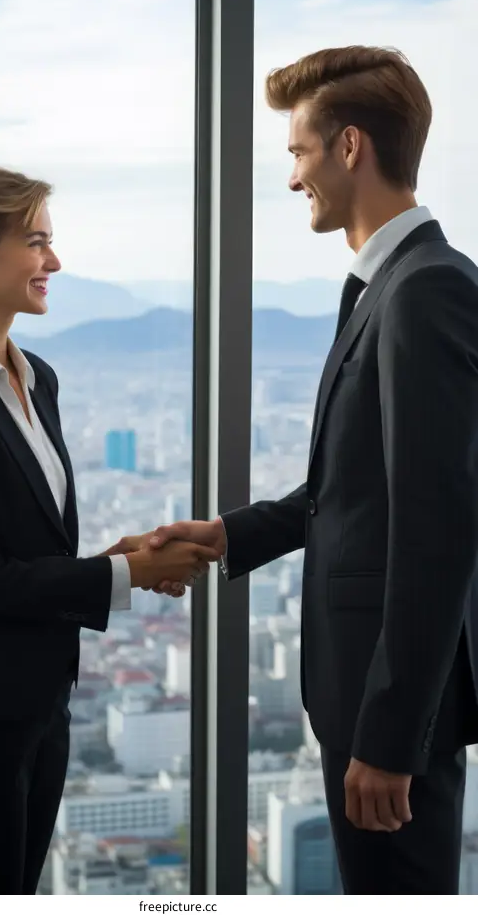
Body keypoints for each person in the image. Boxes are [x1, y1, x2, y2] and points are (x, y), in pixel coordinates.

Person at [144, 47, 478, 893]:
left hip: (387, 718)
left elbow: (438, 530)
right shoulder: (391, 285)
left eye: (298, 151)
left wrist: (392, 736)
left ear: (351, 147)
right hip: (368, 706)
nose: (293, 177)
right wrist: (229, 535)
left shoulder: (424, 292)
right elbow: (358, 490)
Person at [0, 165, 219, 894]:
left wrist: (120, 558)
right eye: (36, 243)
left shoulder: (40, 379)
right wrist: (128, 577)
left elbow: (30, 558)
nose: (54, 263)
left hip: (42, 705)